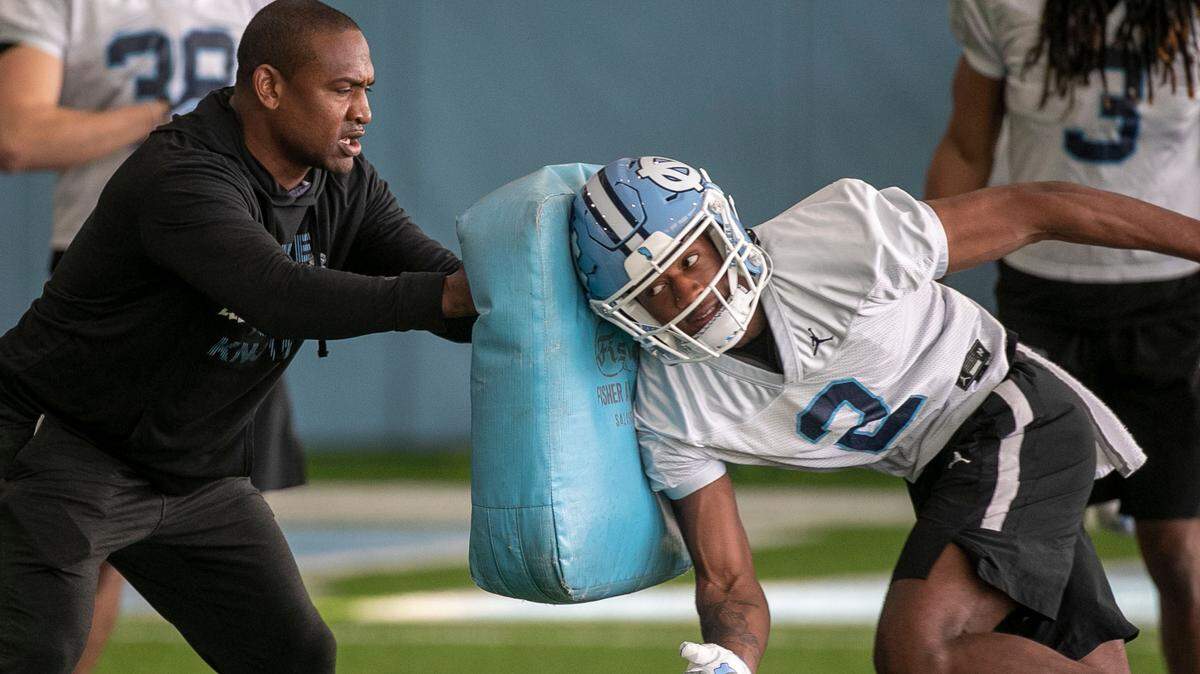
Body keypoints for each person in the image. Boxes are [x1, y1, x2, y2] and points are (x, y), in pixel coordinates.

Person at [565, 155, 1200, 672]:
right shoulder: (669, 404)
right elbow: (729, 585)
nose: (687, 296)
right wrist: (733, 660)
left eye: (689, 261)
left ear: (721, 228)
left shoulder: (835, 242)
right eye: (651, 290)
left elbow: (1039, 209)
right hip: (945, 470)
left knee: (920, 652)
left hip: (1008, 412)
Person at [0, 0, 476, 671]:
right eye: (341, 90)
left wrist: (527, 296)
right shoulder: (182, 174)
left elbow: (437, 280)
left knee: (294, 656)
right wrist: (448, 296)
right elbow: (278, 295)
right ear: (269, 87)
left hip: (194, 476)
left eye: (366, 90)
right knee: (38, 654)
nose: (362, 112)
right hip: (64, 450)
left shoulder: (344, 182)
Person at [0, 2, 308, 670]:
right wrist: (158, 123)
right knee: (79, 541)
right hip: (120, 287)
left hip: (243, 283)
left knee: (201, 539)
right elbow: (18, 134)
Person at [924, 2, 1200, 670]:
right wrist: (921, 270)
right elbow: (968, 143)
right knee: (1037, 556)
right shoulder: (1007, 5)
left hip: (1172, 303)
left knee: (1181, 551)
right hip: (1041, 300)